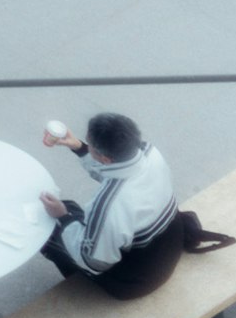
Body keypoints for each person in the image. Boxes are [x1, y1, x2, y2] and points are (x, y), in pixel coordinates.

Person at [35, 112, 223, 299]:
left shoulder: (109, 206)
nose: (87, 145)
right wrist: (79, 147)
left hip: (137, 281)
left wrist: (63, 217)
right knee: (70, 210)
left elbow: (93, 261)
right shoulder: (150, 152)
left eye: (89, 143)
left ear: (105, 159)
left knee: (47, 229)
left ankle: (83, 286)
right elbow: (117, 173)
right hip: (171, 241)